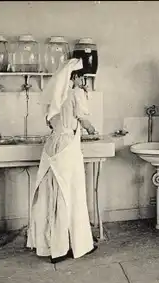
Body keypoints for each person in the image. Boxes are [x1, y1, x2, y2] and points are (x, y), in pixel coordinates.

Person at [26, 58, 98, 264]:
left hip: (53, 144)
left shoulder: (55, 96)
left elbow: (50, 123)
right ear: (74, 77)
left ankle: (53, 245)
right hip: (68, 145)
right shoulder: (77, 93)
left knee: (54, 192)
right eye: (82, 77)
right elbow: (84, 120)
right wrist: (93, 130)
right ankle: (70, 244)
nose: (84, 81)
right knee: (70, 193)